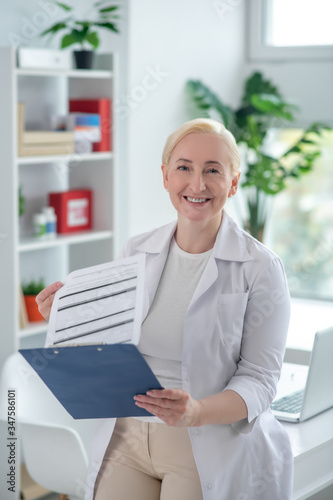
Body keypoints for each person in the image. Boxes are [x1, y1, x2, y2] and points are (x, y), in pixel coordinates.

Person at [37, 118, 293, 500]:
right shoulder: (136, 251)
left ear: (234, 182)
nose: (197, 184)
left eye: (213, 171)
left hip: (203, 442)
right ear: (165, 176)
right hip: (126, 439)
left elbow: (260, 380)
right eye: (184, 168)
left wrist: (197, 412)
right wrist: (64, 318)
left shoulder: (260, 267)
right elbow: (107, 346)